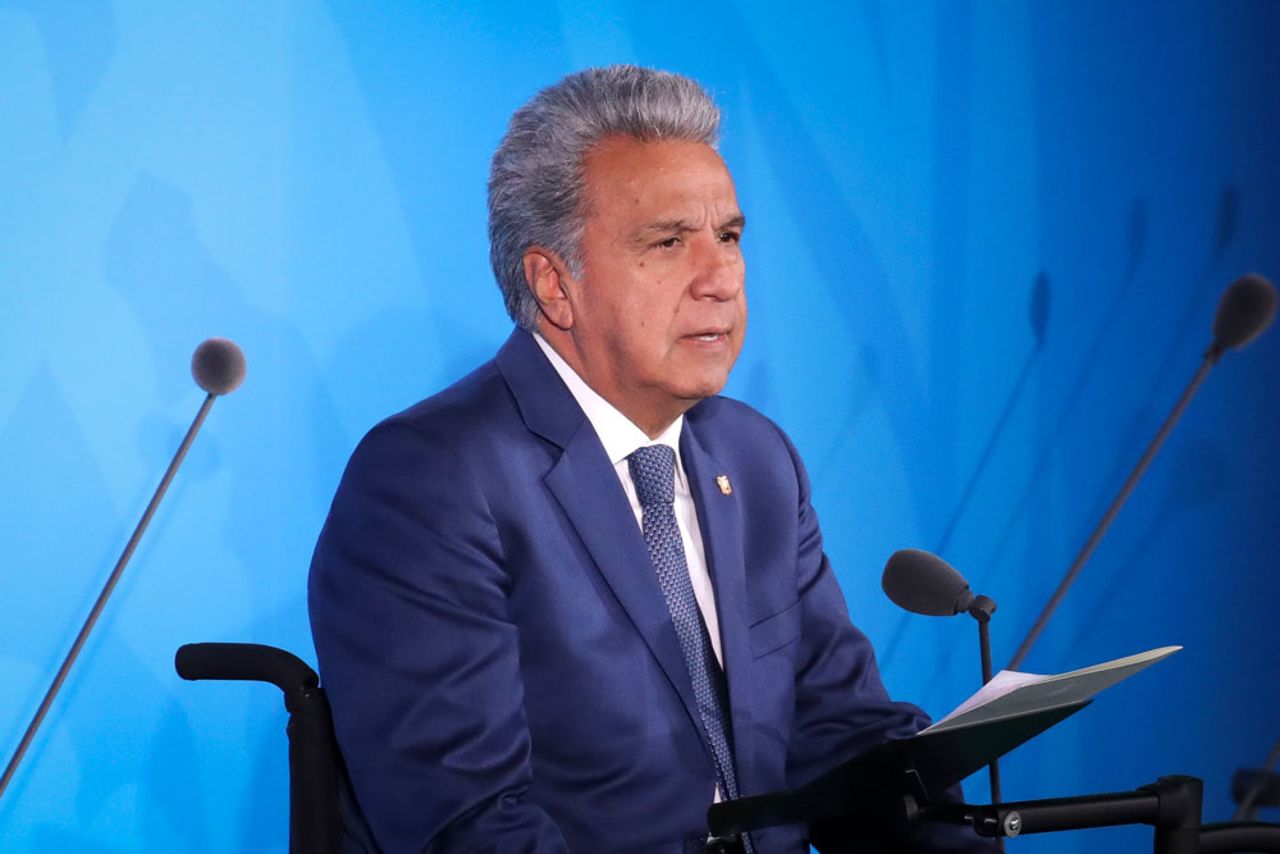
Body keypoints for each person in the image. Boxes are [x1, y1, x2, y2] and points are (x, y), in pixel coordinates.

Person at [310, 65, 992, 853]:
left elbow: (842, 736)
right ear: (554, 283)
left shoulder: (757, 458)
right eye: (668, 243)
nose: (721, 279)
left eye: (730, 237)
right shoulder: (433, 479)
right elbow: (468, 824)